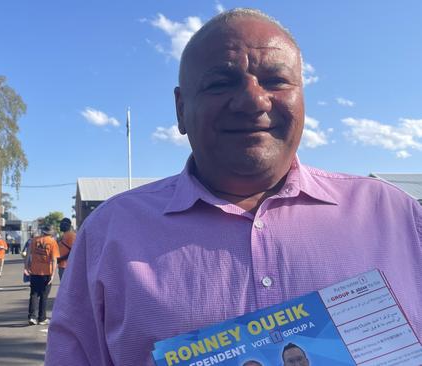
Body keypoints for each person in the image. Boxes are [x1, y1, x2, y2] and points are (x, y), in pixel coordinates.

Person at [46, 8, 422, 365]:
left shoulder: (396, 217)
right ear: (180, 109)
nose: (253, 100)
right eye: (221, 83)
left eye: (276, 81)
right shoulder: (111, 235)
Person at [24, 225, 59, 325]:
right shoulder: (52, 242)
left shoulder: (34, 240)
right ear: (51, 233)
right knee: (44, 296)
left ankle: (31, 316)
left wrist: (26, 267)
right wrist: (53, 274)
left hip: (34, 270)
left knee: (34, 294)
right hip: (46, 271)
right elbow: (54, 259)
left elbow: (28, 254)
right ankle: (41, 318)